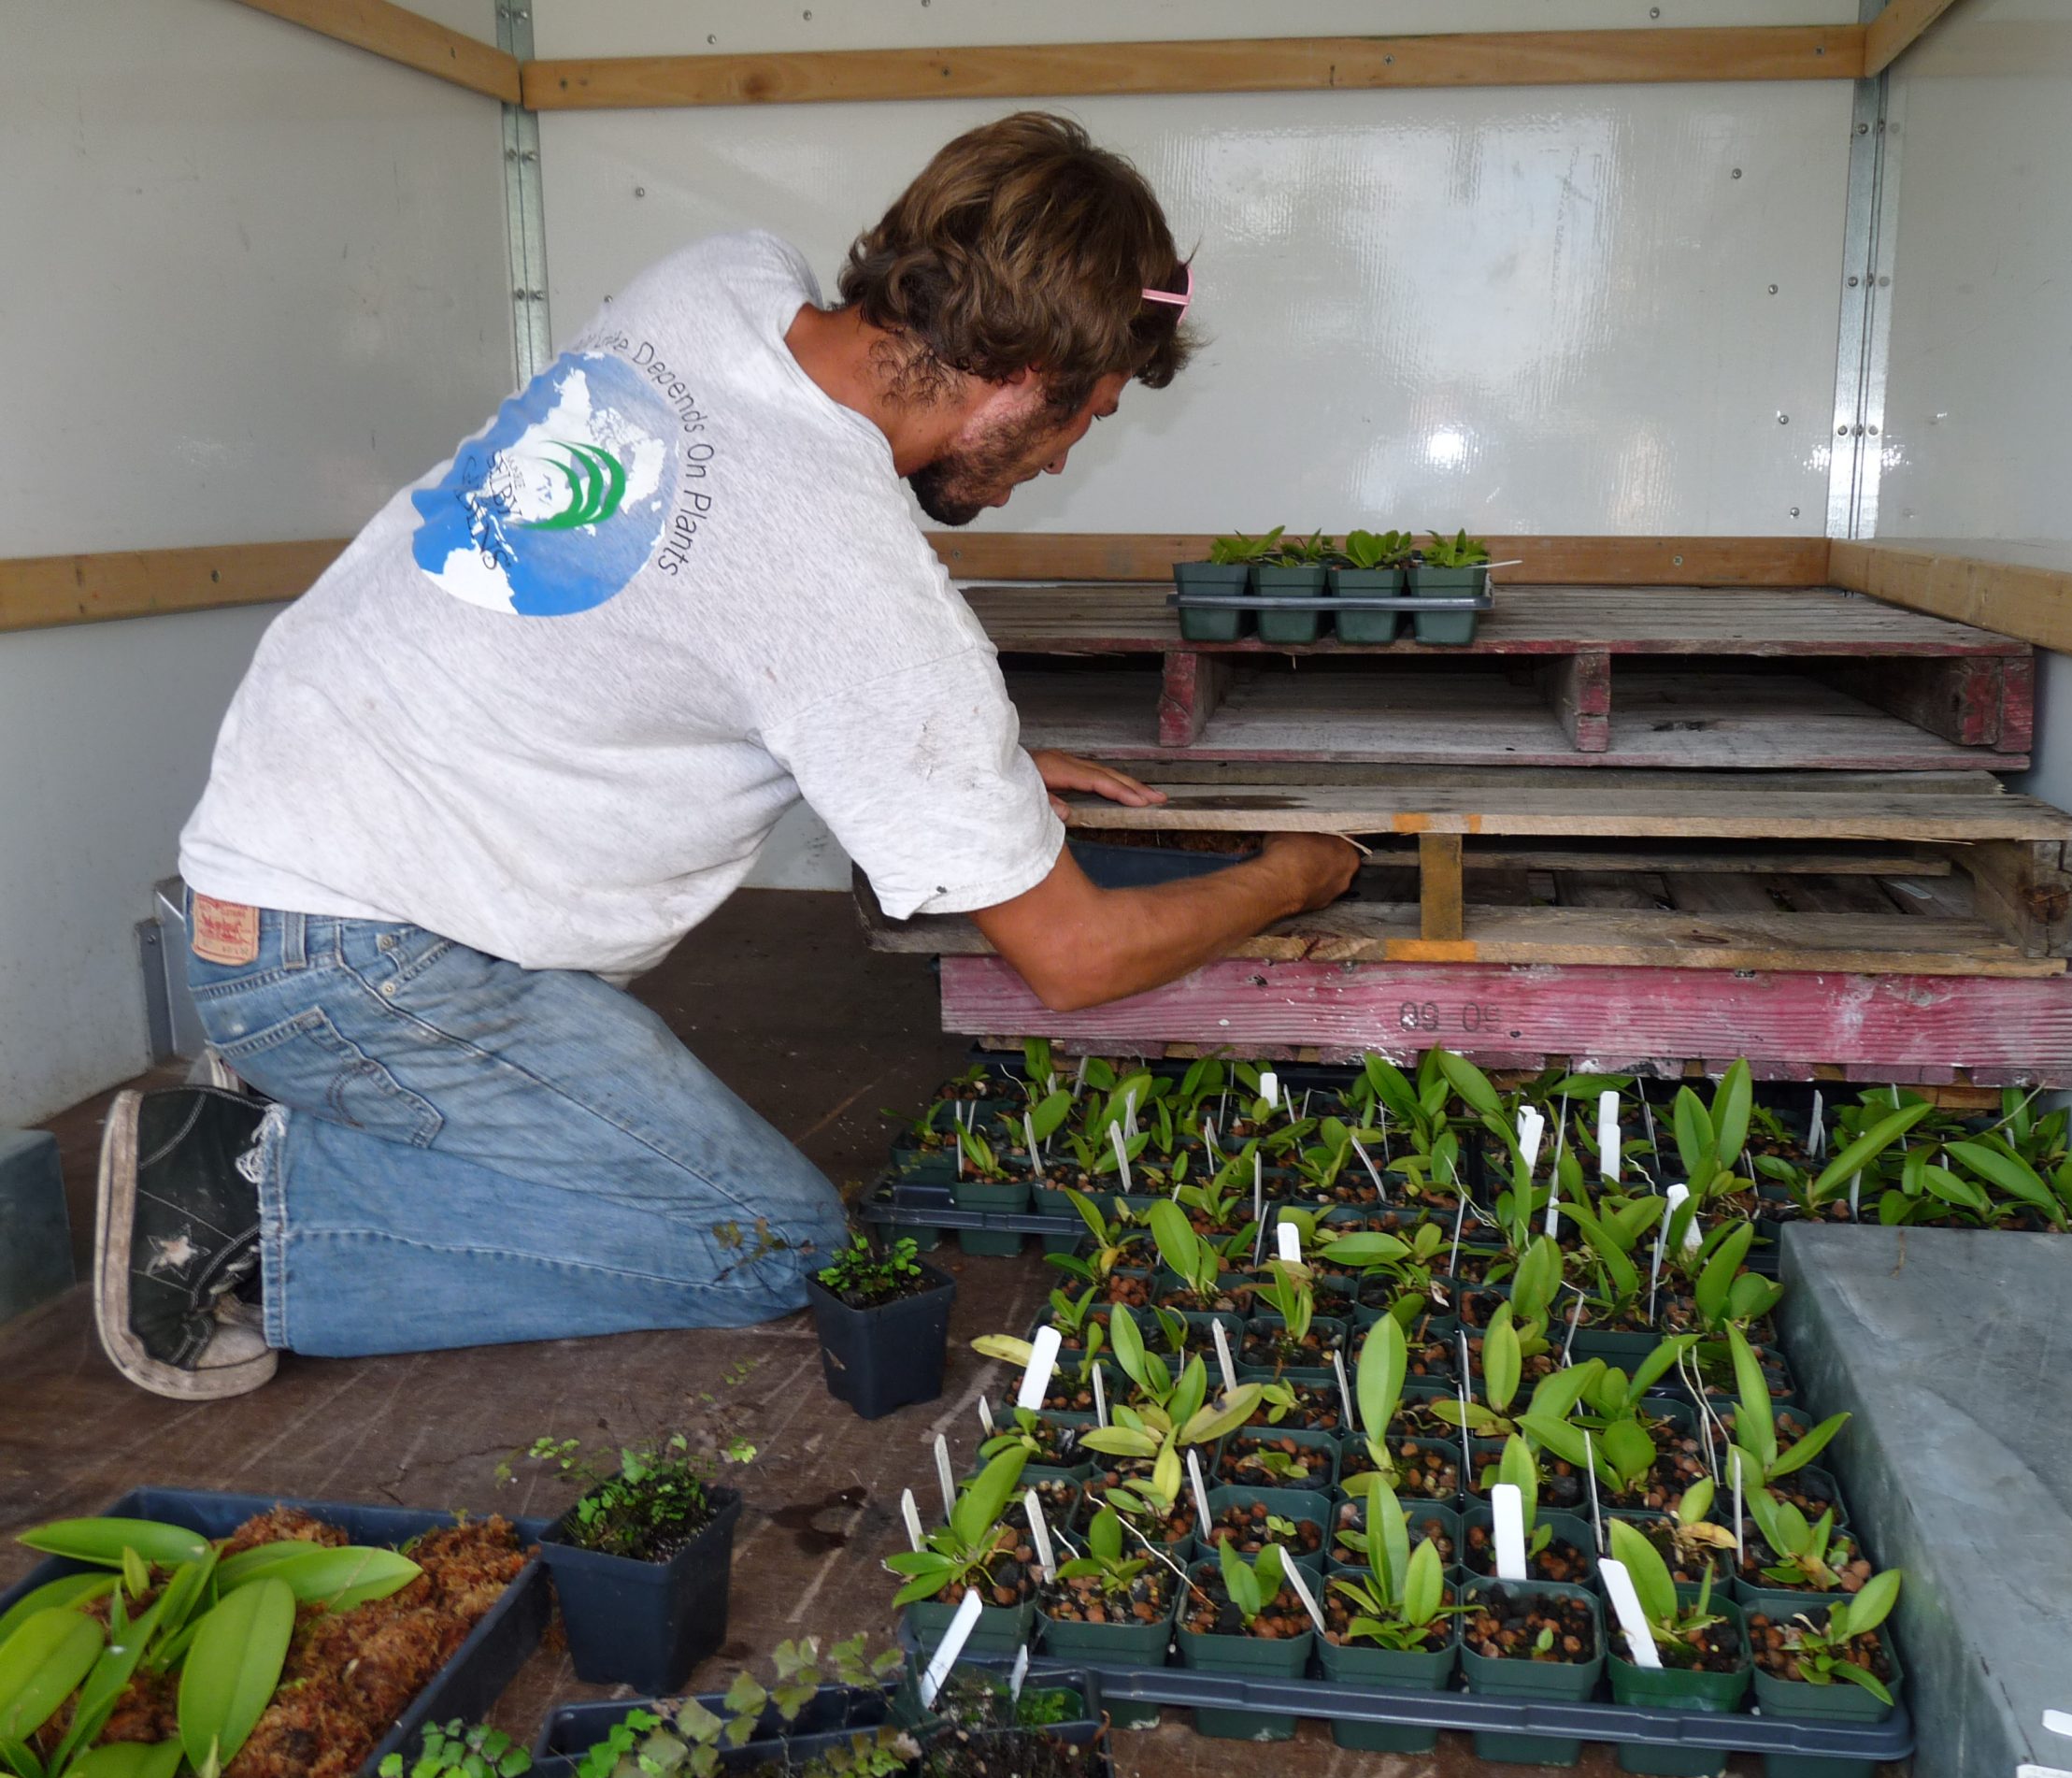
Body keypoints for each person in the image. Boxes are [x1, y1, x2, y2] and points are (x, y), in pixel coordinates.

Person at [96, 112, 1358, 1401]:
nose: (1068, 453)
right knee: (764, 1245)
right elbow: (1077, 959)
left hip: (284, 871)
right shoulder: (854, 584)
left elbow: (688, 609)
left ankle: (322, 1100)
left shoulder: (721, 281)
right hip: (372, 956)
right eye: (1082, 416)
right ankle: (246, 1212)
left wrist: (979, 783)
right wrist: (1293, 877)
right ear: (1022, 372)